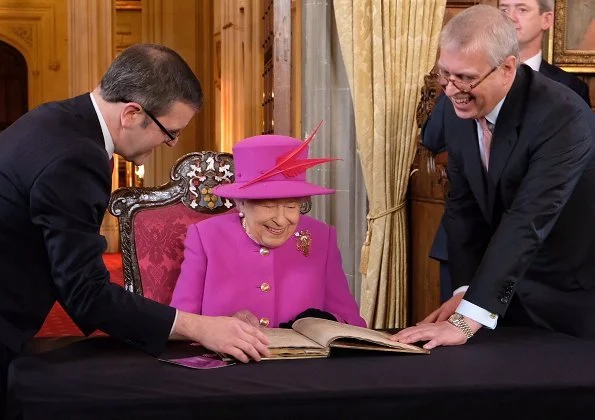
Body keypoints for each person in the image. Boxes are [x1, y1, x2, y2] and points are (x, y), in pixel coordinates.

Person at [0, 43, 270, 417]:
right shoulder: (77, 155)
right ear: (131, 113)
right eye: (170, 132)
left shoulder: (57, 119)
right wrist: (202, 328)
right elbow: (85, 293)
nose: (172, 144)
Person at [392, 5, 595, 349]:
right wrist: (465, 293)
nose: (452, 90)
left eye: (466, 77)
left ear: (507, 68)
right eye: (446, 74)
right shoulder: (459, 108)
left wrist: (468, 319)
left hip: (568, 297)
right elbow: (462, 209)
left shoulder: (563, 116)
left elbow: (527, 221)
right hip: (500, 293)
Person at [170, 131, 366, 329]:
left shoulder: (322, 237)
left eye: (291, 207)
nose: (281, 221)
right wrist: (218, 327)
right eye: (268, 206)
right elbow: (182, 325)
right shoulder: (206, 237)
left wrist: (321, 323)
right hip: (229, 359)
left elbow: (351, 322)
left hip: (303, 359)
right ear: (241, 204)